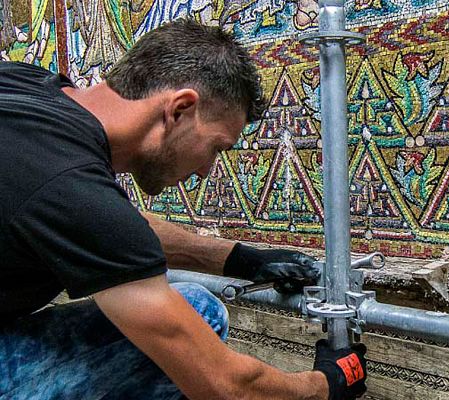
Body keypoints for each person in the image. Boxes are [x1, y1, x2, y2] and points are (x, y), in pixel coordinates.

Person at [0, 19, 367, 400]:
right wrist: (328, 384)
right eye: (217, 147)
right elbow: (224, 387)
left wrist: (241, 260)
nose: (207, 170)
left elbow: (99, 225)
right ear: (180, 109)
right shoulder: (69, 184)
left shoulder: (25, 86)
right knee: (199, 316)